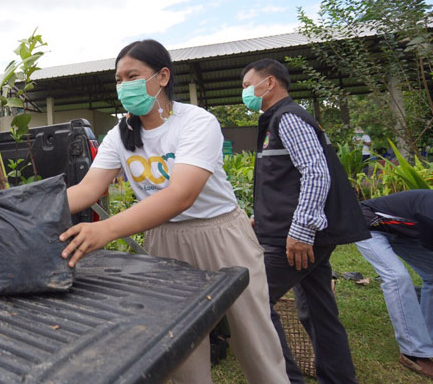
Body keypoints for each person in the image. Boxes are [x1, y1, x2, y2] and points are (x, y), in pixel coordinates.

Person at [60, 40, 289, 384]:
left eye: (132, 76)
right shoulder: (119, 136)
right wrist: (27, 207)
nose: (123, 86)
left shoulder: (197, 122)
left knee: (253, 336)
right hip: (163, 239)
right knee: (180, 349)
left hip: (220, 235)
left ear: (162, 76)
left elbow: (181, 194)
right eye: (119, 79)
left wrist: (105, 231)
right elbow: (88, 189)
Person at [241, 58, 369, 384]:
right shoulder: (276, 121)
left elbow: (315, 172)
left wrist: (302, 230)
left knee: (253, 298)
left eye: (247, 85)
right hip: (295, 233)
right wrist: (261, 216)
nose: (245, 93)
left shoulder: (288, 119)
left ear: (269, 83)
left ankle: (288, 378)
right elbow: (285, 179)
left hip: (294, 238)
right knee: (317, 309)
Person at [356, 190, 433, 379]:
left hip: (402, 231)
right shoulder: (429, 214)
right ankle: (413, 352)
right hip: (369, 225)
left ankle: (427, 337)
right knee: (397, 278)